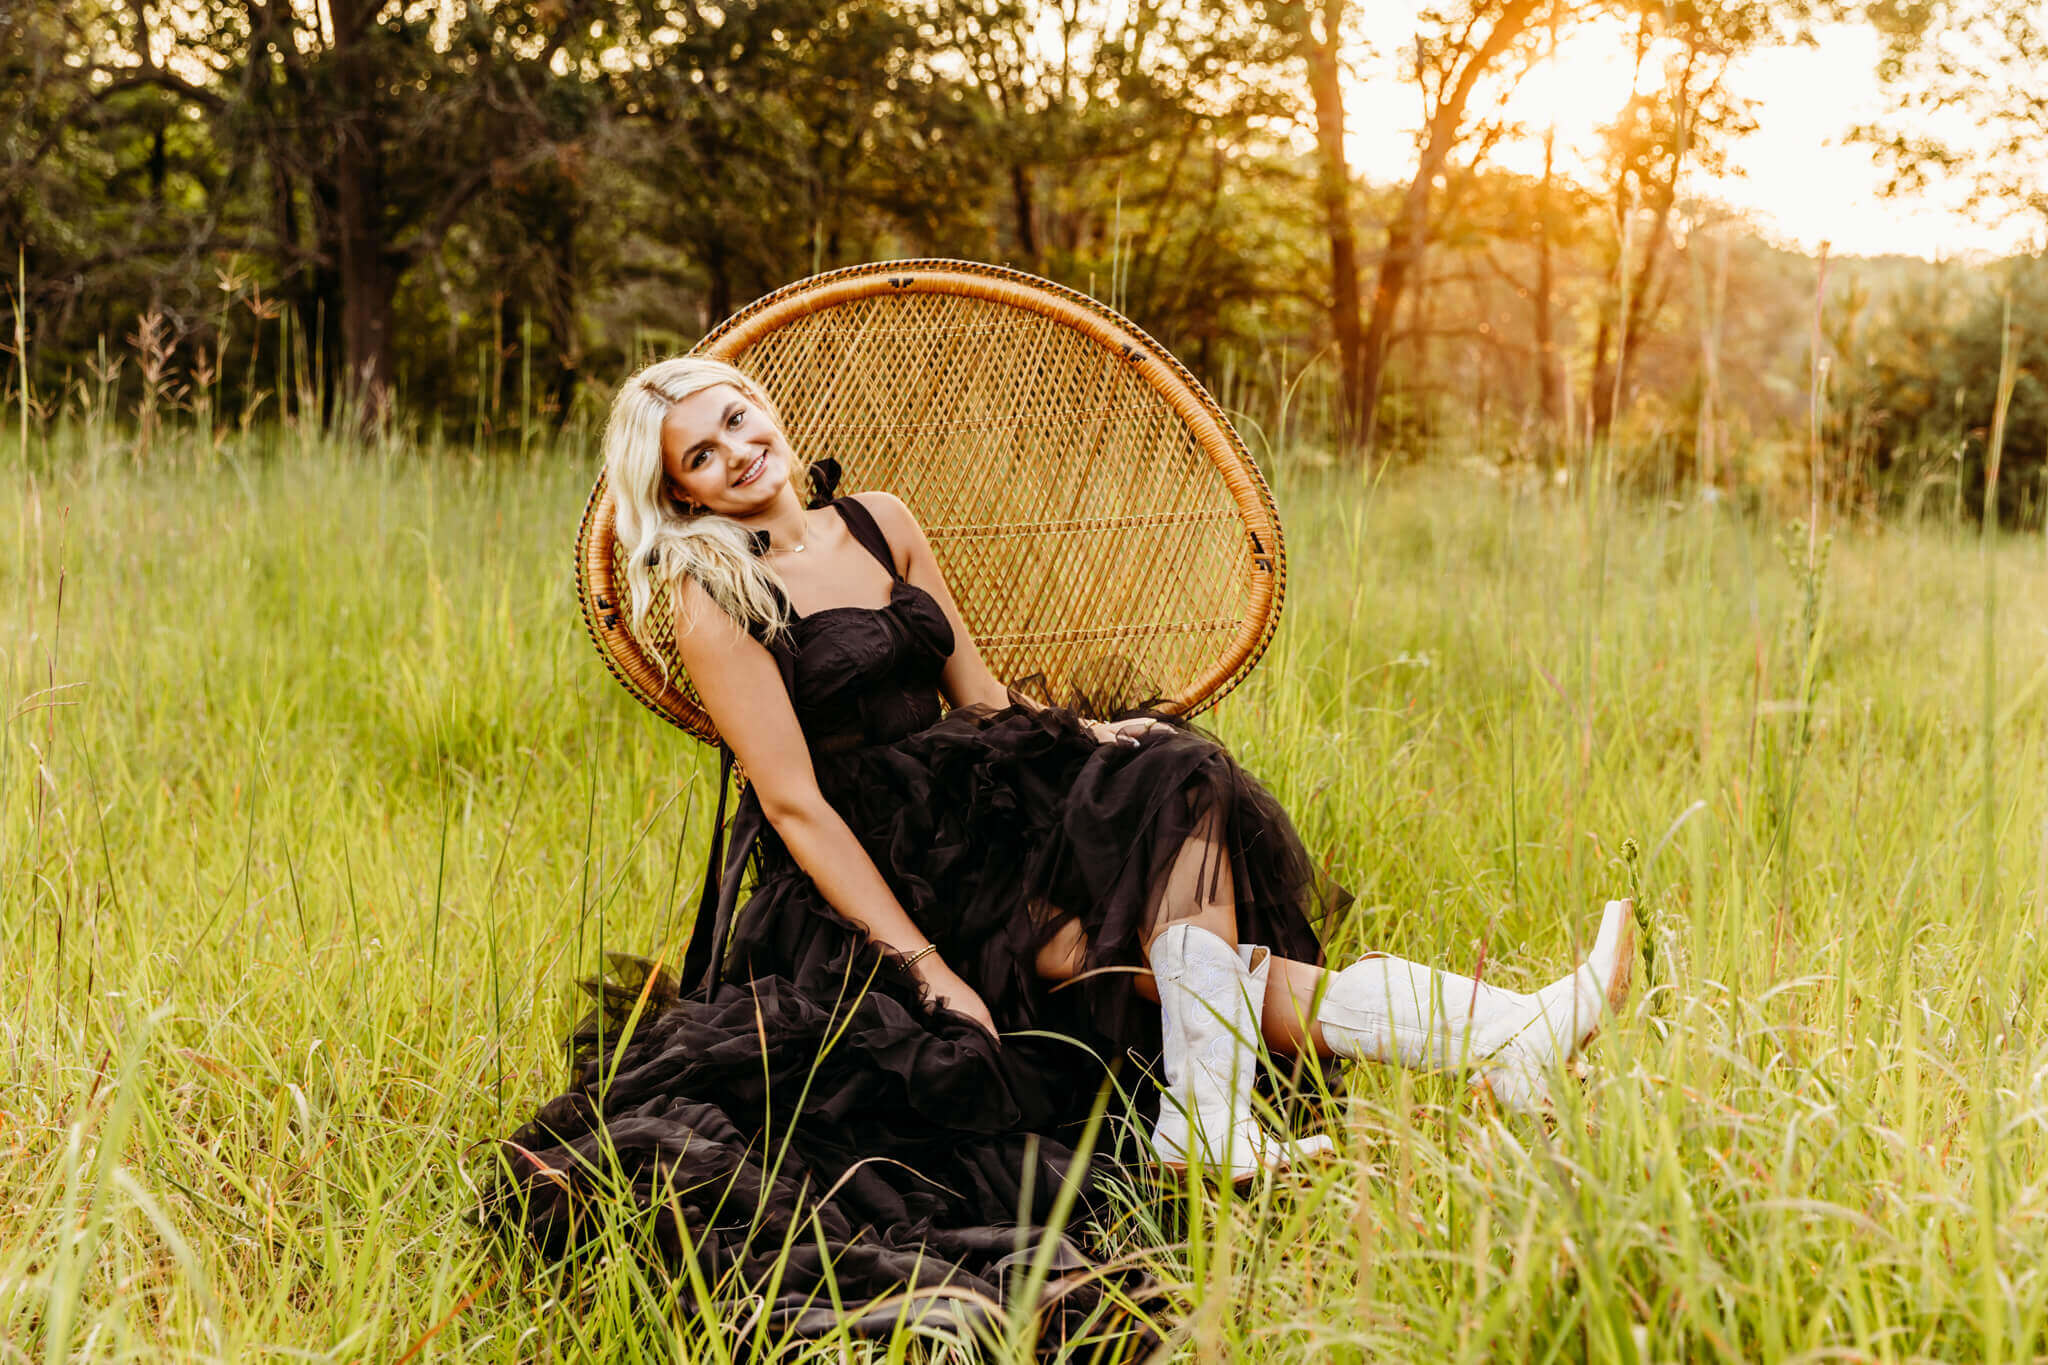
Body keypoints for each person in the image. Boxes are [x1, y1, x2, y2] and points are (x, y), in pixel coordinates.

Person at [489, 356, 1635, 1341]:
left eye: (737, 417)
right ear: (677, 490)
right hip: (863, 876)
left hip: (974, 802)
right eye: (699, 453)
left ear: (767, 410)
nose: (735, 451)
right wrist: (921, 968)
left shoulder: (879, 520)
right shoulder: (712, 592)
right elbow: (792, 807)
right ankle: (1489, 1037)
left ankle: (1239, 1102)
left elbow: (978, 697)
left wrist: (1095, 734)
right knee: (1113, 954)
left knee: (1173, 770)